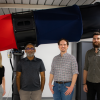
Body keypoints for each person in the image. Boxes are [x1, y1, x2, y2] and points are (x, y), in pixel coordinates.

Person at [83, 32, 100, 100]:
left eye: (98, 38)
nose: (96, 40)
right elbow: (85, 68)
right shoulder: (88, 52)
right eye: (94, 39)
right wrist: (84, 83)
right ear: (92, 40)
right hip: (89, 83)